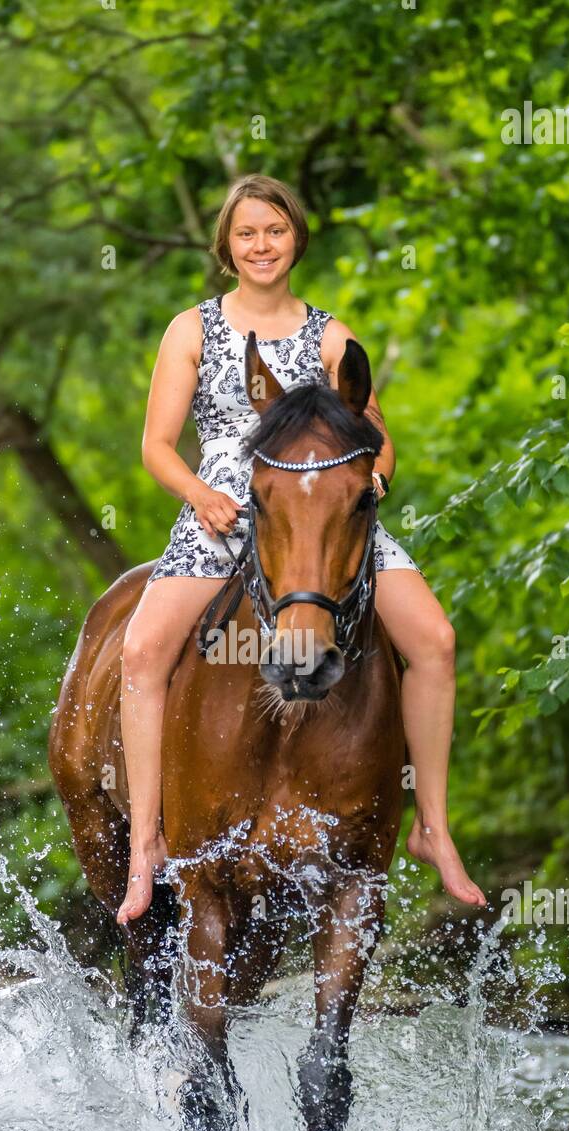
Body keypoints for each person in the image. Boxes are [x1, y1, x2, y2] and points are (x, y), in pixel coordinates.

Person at [117, 175, 486, 926]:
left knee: (437, 641)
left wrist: (375, 481)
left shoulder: (332, 336)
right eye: (247, 233)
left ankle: (434, 829)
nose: (261, 245)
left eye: (275, 231)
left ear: (297, 240)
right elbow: (156, 445)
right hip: (227, 496)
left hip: (321, 506)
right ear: (227, 246)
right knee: (141, 652)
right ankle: (145, 842)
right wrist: (198, 494)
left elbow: (375, 437)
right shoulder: (192, 330)